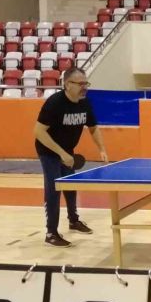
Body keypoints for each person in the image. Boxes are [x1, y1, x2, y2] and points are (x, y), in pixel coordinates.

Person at [33, 67, 108, 248]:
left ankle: (73, 220)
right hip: (48, 151)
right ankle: (51, 233)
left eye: (86, 83)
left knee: (70, 185)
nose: (85, 87)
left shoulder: (84, 103)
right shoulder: (55, 103)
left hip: (67, 151)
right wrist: (62, 154)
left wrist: (102, 149)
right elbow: (39, 132)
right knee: (54, 188)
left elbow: (93, 128)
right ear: (67, 84)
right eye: (80, 84)